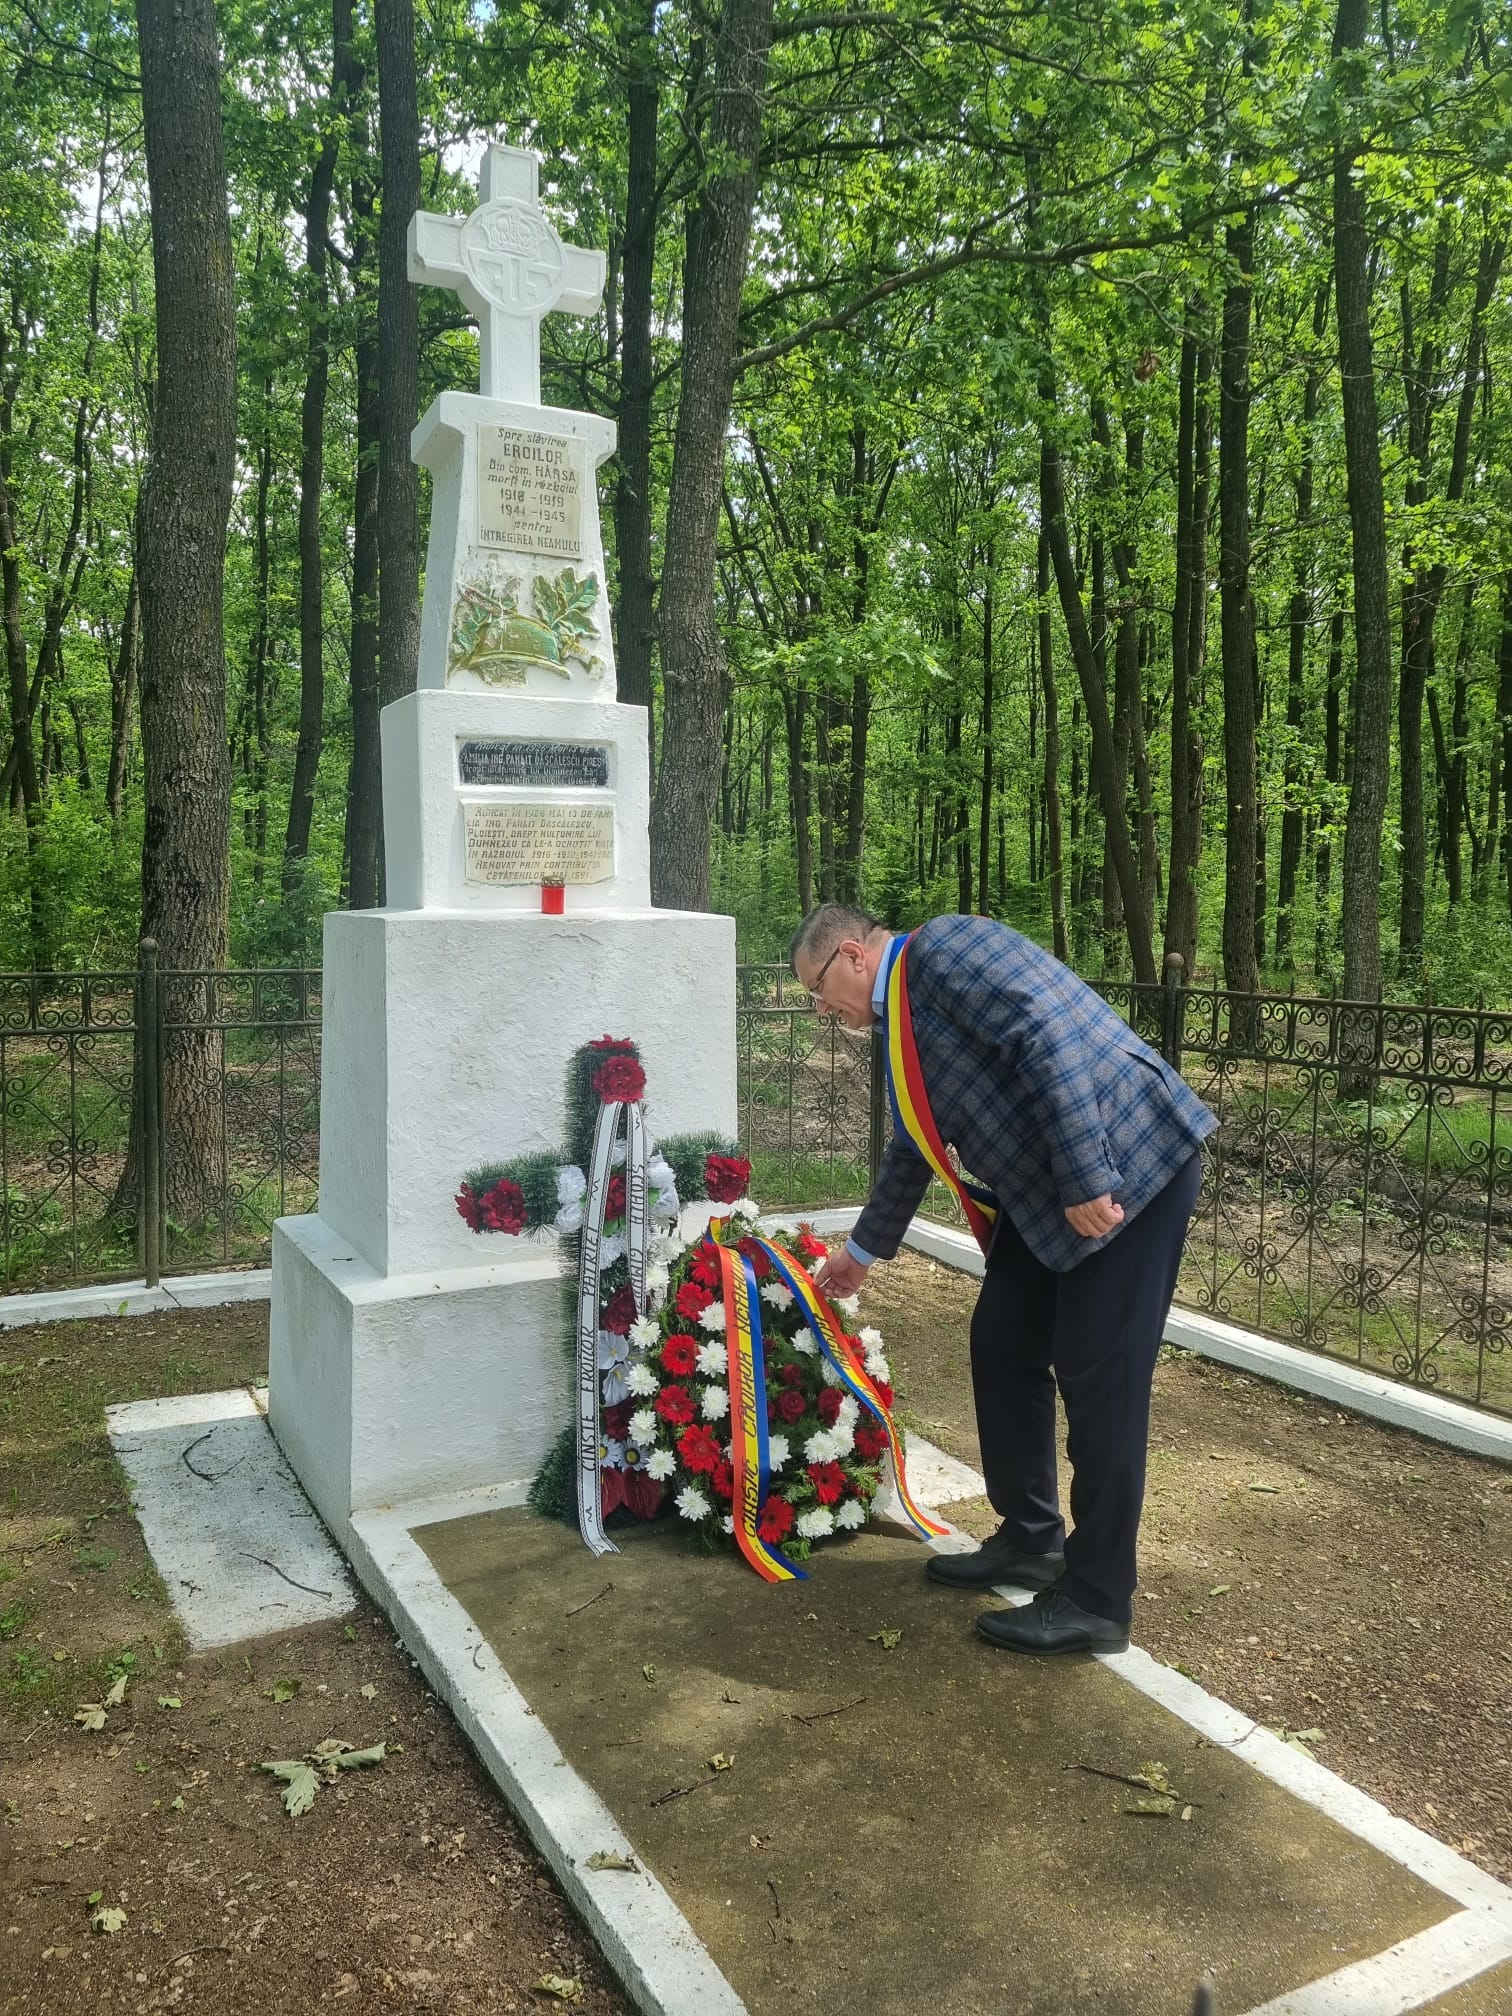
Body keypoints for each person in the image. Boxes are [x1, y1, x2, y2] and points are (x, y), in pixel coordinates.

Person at [790, 904, 1217, 1656]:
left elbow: (1047, 1037)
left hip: (1123, 1172)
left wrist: (1087, 1176)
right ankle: (1031, 1538)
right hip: (1053, 1193)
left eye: (820, 991)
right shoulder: (900, 1018)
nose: (824, 1011)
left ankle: (1097, 1598)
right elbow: (913, 1144)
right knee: (1005, 1343)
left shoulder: (949, 948)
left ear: (854, 955)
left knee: (1101, 1381)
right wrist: (862, 1251)